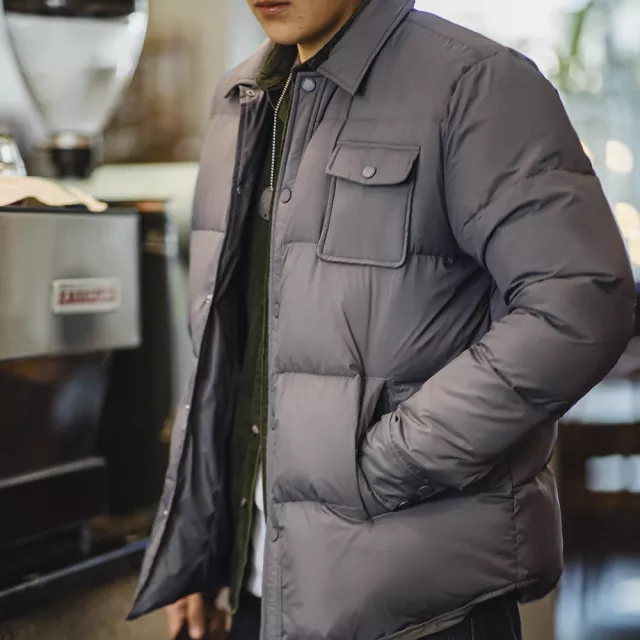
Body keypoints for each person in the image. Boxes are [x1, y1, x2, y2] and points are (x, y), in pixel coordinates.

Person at [129, 0, 636, 638]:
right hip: (258, 594)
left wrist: (388, 462)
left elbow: (581, 301)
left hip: (418, 609)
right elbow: (236, 345)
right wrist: (206, 541)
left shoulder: (475, 83)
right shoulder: (241, 98)